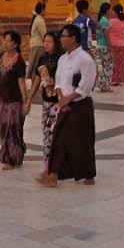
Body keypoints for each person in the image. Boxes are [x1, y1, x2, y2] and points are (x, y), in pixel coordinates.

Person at [38, 23, 97, 187]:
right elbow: (58, 81)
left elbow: (86, 85)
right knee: (59, 139)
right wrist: (61, 98)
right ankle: (54, 174)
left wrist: (69, 99)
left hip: (80, 105)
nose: (61, 39)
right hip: (64, 104)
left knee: (81, 140)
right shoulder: (63, 59)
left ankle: (88, 174)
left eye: (64, 36)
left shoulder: (85, 59)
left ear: (74, 39)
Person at [0, 29, 28, 169]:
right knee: (2, 126)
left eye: (8, 40)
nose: (5, 43)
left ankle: (12, 158)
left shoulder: (19, 61)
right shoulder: (1, 57)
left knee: (13, 128)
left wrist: (26, 101)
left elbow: (21, 82)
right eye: (4, 39)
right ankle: (19, 148)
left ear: (15, 44)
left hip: (15, 100)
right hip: (3, 99)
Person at [27, 31, 63, 161]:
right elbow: (37, 78)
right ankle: (48, 160)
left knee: (56, 131)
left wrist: (55, 81)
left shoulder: (62, 59)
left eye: (49, 41)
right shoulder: (43, 58)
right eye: (45, 41)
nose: (46, 44)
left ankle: (57, 160)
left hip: (59, 101)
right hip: (47, 100)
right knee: (46, 130)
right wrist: (29, 97)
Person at [92, 2, 113, 92]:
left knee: (104, 65)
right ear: (107, 10)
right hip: (104, 45)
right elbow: (106, 35)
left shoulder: (101, 20)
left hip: (100, 45)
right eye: (110, 9)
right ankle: (105, 85)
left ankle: (102, 84)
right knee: (108, 66)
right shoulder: (105, 21)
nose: (111, 11)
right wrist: (109, 46)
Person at [107, 4, 124, 86]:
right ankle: (120, 79)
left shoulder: (111, 21)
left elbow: (107, 32)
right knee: (121, 63)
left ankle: (114, 79)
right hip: (123, 44)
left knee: (114, 63)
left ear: (115, 12)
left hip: (114, 44)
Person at [27, 2, 47, 78]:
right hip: (39, 46)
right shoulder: (40, 20)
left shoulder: (37, 18)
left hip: (35, 45)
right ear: (42, 10)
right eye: (45, 9)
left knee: (34, 65)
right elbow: (44, 34)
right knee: (37, 66)